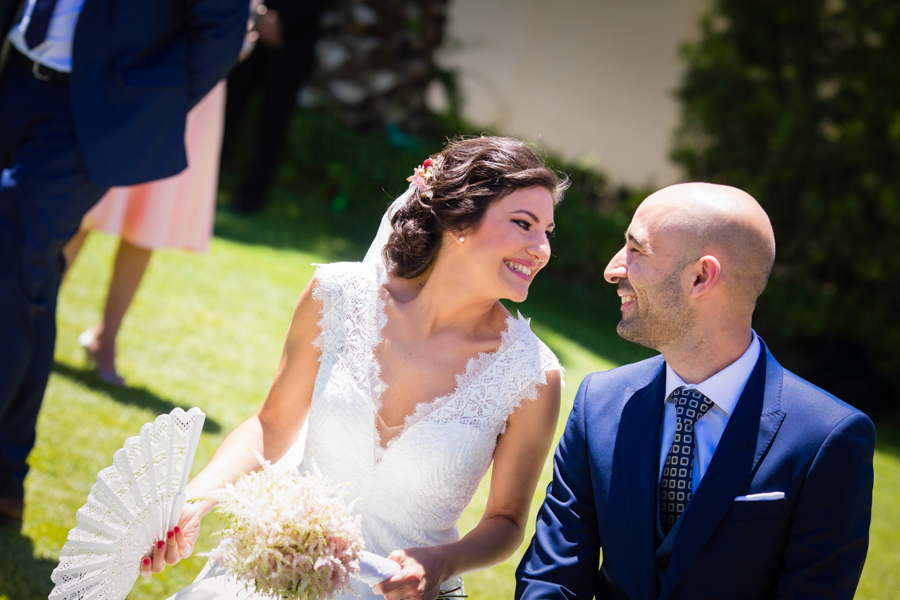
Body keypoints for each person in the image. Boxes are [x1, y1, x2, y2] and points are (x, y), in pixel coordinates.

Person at [141, 136, 568, 600]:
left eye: (547, 232)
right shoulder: (337, 294)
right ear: (459, 221)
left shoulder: (532, 375)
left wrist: (444, 561)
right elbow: (271, 426)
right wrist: (196, 500)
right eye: (524, 224)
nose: (541, 248)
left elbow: (506, 522)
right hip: (281, 571)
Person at [516, 182, 876, 599]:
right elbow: (552, 575)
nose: (613, 269)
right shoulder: (599, 402)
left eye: (636, 250)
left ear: (702, 276)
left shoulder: (827, 439)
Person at [0, 0, 247, 527]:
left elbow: (221, 28)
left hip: (92, 108)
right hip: (16, 75)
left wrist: (147, 103)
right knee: (30, 281)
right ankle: (5, 477)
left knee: (12, 259)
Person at [62, 79, 227, 386]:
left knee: (151, 217)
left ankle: (106, 337)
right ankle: (24, 320)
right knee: (85, 205)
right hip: (139, 70)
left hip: (196, 85)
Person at [223, 0, 328, 214]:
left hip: (292, 39)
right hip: (247, 28)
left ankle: (251, 198)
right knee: (225, 113)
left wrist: (282, 19)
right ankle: (204, 184)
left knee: (273, 123)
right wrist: (260, 15)